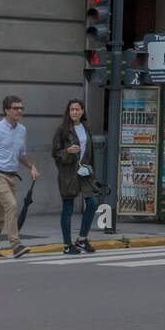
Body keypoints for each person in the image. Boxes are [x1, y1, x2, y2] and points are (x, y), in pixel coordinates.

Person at [0, 95, 39, 259]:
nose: (19, 111)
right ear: (6, 110)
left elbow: (21, 154)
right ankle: (16, 245)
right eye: (16, 108)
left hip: (12, 176)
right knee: (12, 205)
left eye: (21, 108)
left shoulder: (22, 130)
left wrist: (31, 167)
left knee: (0, 215)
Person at [52, 99, 99, 255]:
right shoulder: (62, 129)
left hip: (85, 172)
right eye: (72, 109)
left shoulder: (86, 128)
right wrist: (67, 151)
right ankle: (67, 245)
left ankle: (82, 239)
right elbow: (55, 153)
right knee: (68, 208)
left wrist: (92, 172)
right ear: (68, 111)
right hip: (69, 173)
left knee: (92, 203)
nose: (74, 112)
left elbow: (91, 153)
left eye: (77, 109)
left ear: (82, 111)